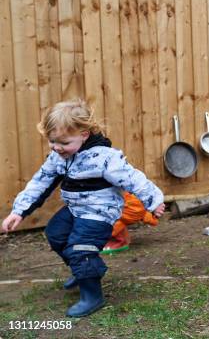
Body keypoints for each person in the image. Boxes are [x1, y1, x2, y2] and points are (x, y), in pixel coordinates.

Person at [1, 99, 165, 318]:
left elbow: (132, 178)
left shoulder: (104, 158)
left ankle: (92, 295)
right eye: (52, 142)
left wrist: (154, 201)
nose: (57, 147)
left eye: (64, 142)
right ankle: (83, 271)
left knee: (80, 248)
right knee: (56, 234)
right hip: (76, 208)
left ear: (84, 134)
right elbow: (41, 182)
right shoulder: (59, 156)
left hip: (100, 211)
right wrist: (19, 211)